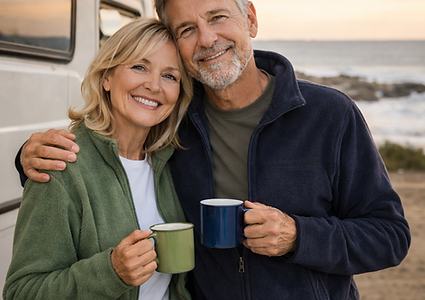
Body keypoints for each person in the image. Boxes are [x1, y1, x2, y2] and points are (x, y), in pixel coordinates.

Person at [14, 0, 411, 299]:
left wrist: (298, 236)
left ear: (251, 19)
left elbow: (390, 236)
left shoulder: (330, 114)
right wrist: (27, 158)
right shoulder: (175, 126)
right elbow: (105, 165)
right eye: (186, 29)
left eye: (218, 16)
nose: (206, 38)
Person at [4, 18, 193, 300]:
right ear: (106, 77)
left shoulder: (170, 163)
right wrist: (111, 273)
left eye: (170, 76)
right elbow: (22, 291)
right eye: (139, 66)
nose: (154, 85)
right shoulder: (61, 164)